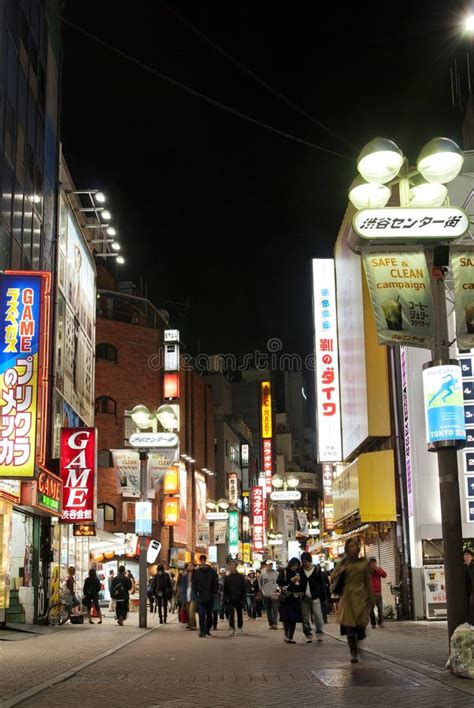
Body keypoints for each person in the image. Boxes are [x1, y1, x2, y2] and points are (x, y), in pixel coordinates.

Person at [331, 539, 373, 663]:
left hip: (360, 598)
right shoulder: (344, 563)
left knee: (360, 628)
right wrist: (340, 569)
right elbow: (333, 576)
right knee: (349, 627)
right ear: (347, 549)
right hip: (347, 599)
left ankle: (358, 644)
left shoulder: (363, 564)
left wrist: (371, 597)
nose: (353, 548)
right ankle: (353, 652)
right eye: (350, 546)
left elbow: (368, 581)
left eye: (355, 546)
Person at [299, 552, 326, 643]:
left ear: (310, 561)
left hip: (315, 597)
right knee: (305, 617)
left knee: (318, 616)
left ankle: (319, 633)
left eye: (306, 561)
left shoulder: (317, 570)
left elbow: (322, 585)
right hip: (304, 597)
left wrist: (324, 598)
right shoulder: (300, 570)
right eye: (303, 562)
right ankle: (308, 634)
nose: (304, 563)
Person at [277, 558, 303, 643]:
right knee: (286, 618)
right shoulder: (284, 571)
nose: (295, 567)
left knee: (293, 618)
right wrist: (291, 580)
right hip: (286, 598)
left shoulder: (298, 573)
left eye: (297, 565)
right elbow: (279, 582)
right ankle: (286, 635)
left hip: (295, 597)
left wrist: (300, 587)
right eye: (294, 565)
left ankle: (290, 637)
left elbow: (301, 585)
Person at [192, 555, 218, 637]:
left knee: (209, 614)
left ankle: (207, 629)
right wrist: (196, 592)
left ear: (205, 561)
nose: (202, 561)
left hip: (210, 596)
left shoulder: (211, 572)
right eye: (201, 560)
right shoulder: (197, 572)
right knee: (201, 614)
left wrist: (213, 593)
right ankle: (202, 631)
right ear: (200, 561)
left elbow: (215, 583)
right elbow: (194, 583)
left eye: (203, 560)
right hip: (201, 595)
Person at [224, 560, 246, 635]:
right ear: (229, 567)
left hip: (239, 598)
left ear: (236, 566)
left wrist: (243, 599)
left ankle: (240, 626)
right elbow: (225, 589)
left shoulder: (241, 577)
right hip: (230, 599)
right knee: (231, 614)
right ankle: (232, 627)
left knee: (239, 614)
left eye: (234, 565)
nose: (232, 567)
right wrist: (225, 598)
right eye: (231, 565)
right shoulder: (227, 578)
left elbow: (244, 589)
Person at [259, 561, 280, 629]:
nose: (270, 566)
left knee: (275, 609)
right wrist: (262, 591)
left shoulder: (277, 573)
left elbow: (279, 583)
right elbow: (260, 583)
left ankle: (275, 623)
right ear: (266, 565)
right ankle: (271, 623)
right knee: (268, 609)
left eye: (271, 565)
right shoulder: (263, 574)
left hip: (275, 594)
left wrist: (278, 591)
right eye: (268, 565)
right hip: (266, 594)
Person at [368, 557, 387, 628]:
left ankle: (380, 623)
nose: (373, 564)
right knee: (370, 610)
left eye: (374, 562)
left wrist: (378, 570)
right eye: (371, 562)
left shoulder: (378, 569)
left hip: (378, 593)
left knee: (380, 609)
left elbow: (384, 575)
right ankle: (373, 623)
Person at [179, 562, 198, 629]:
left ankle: (193, 626)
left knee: (191, 611)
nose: (190, 567)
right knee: (188, 611)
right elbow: (182, 586)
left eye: (191, 565)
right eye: (189, 566)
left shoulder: (196, 575)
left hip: (194, 595)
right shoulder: (184, 576)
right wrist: (182, 597)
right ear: (187, 567)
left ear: (194, 566)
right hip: (186, 594)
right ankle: (191, 624)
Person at [465, 549, 474, 624]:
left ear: (472, 557)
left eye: (468, 555)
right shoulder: (464, 567)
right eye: (465, 555)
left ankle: (471, 621)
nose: (466, 556)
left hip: (473, 589)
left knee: (472, 604)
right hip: (467, 590)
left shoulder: (473, 566)